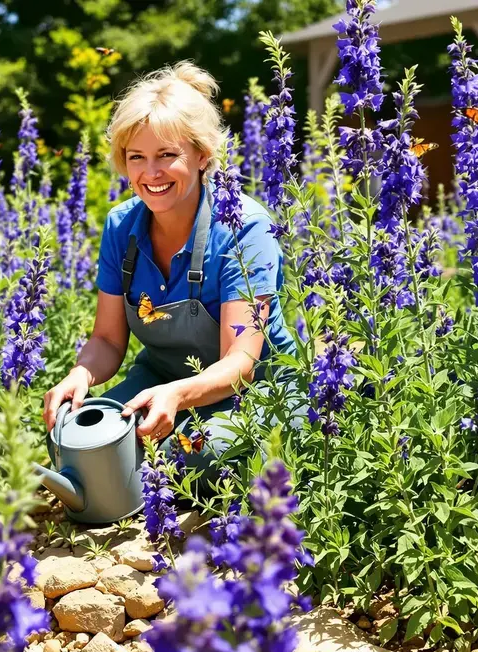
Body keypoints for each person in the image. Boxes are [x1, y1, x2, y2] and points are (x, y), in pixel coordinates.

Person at [42, 61, 296, 468]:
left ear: (202, 154)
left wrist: (178, 396)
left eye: (166, 155)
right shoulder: (121, 226)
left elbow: (241, 363)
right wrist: (80, 375)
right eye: (136, 157)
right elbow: (107, 340)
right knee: (75, 437)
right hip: (159, 379)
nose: (151, 173)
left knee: (195, 453)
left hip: (256, 391)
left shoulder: (245, 228)